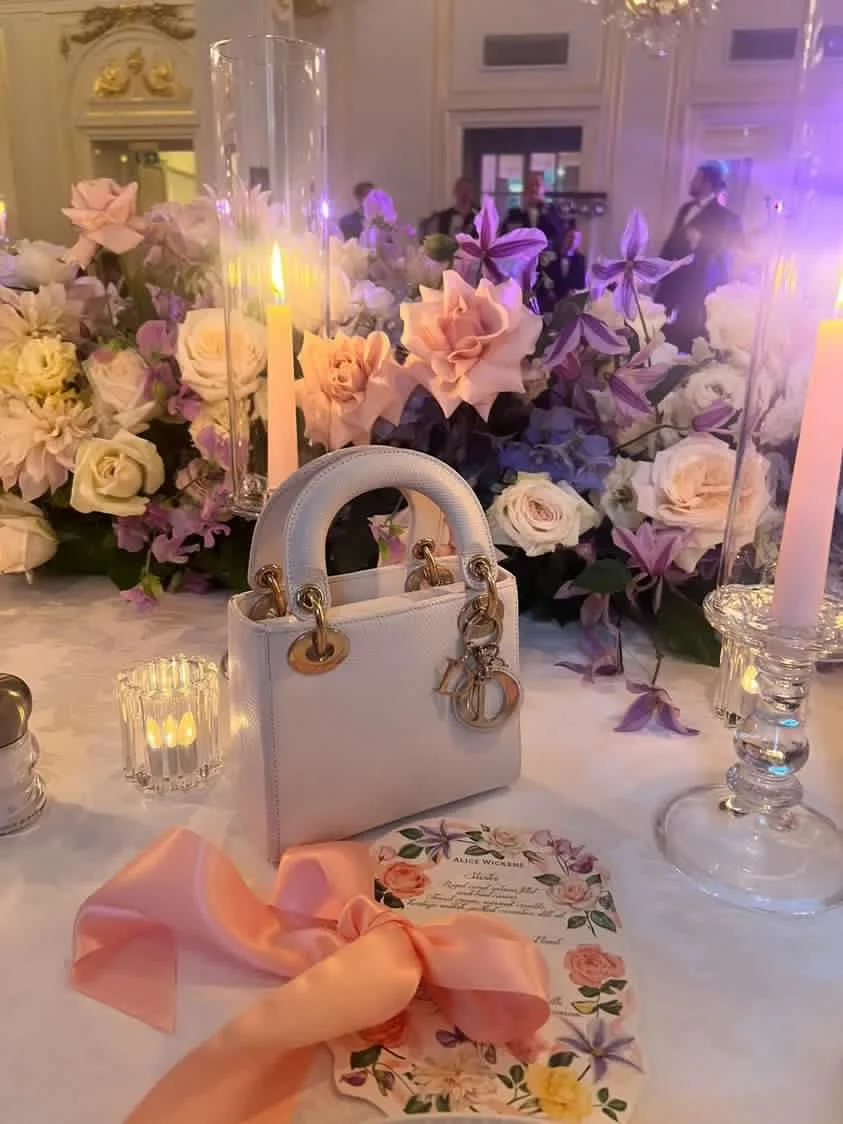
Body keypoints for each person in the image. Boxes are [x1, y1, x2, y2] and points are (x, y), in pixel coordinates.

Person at [656, 161, 743, 351]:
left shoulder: (725, 217)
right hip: (671, 284)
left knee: (686, 340)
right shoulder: (685, 209)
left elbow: (726, 252)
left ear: (707, 184)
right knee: (657, 334)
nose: (691, 182)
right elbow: (671, 243)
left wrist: (700, 243)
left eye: (696, 179)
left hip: (696, 289)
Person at [501, 171, 567, 313]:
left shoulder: (553, 213)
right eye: (530, 185)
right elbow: (505, 242)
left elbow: (560, 239)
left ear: (544, 189)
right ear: (524, 190)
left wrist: (543, 210)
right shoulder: (514, 215)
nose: (533, 189)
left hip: (547, 277)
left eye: (537, 185)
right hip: (519, 277)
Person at [558, 222, 586, 298]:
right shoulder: (553, 257)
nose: (573, 241)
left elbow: (581, 285)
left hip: (572, 300)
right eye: (571, 237)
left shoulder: (580, 260)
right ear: (564, 238)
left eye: (577, 239)